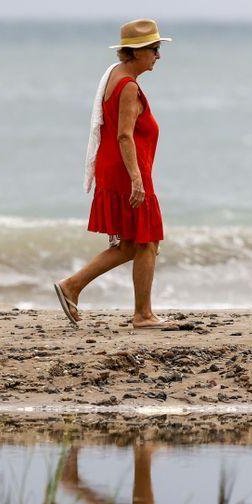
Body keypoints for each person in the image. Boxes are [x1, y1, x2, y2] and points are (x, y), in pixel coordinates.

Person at [55, 19, 171, 330]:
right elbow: (124, 135)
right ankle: (143, 315)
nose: (158, 56)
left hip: (116, 169)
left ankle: (72, 286)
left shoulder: (115, 76)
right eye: (155, 50)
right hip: (126, 172)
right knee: (147, 241)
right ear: (137, 52)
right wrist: (136, 179)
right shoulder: (128, 86)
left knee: (133, 244)